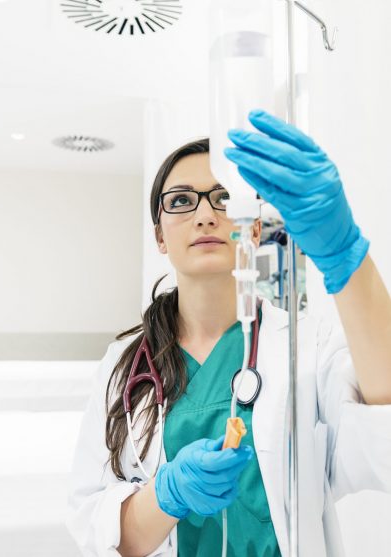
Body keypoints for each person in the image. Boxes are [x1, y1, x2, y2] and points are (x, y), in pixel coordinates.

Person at [66, 110, 391, 556]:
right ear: (160, 235)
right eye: (181, 201)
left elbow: (384, 436)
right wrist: (167, 495)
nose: (204, 214)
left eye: (223, 198)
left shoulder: (306, 345)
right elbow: (98, 528)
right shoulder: (124, 365)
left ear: (253, 227)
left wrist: (346, 257)